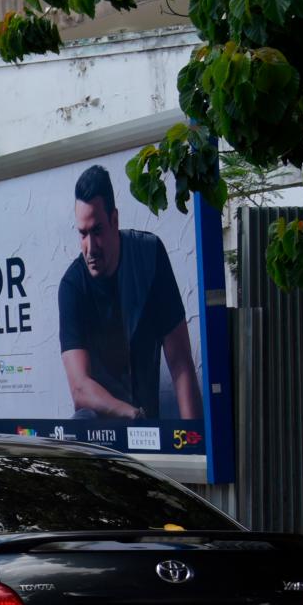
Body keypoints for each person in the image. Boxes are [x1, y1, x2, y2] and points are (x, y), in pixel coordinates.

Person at [57, 164, 202, 421]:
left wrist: (195, 443)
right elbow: (79, 388)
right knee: (81, 420)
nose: (90, 247)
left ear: (114, 220)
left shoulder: (150, 255)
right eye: (83, 234)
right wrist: (132, 414)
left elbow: (180, 363)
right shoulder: (71, 286)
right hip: (99, 430)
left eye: (97, 231)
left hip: (146, 422)